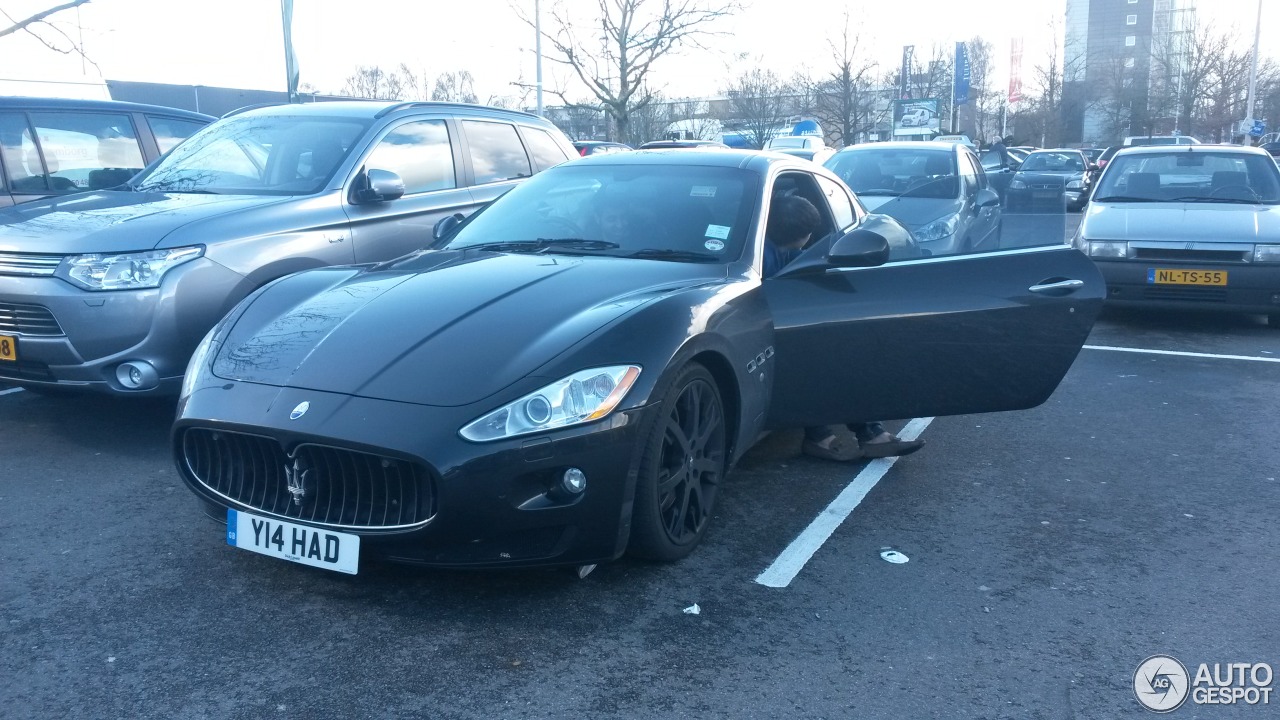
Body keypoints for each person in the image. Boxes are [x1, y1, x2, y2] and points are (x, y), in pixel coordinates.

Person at [763, 194, 925, 462]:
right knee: (827, 369)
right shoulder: (769, 258)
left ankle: (858, 434)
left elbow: (804, 262)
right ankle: (842, 436)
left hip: (783, 333)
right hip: (773, 340)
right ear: (804, 234)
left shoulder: (779, 251)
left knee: (832, 362)